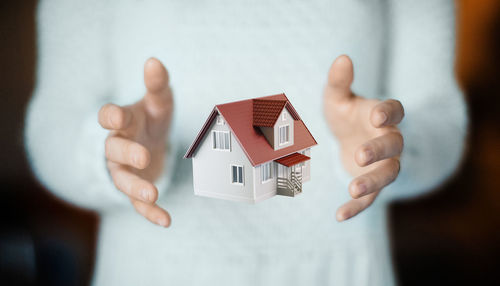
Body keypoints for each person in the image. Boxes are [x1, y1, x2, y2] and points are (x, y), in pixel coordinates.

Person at [25, 0, 467, 285]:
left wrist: (385, 148)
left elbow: (442, 119)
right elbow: (52, 125)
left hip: (341, 271)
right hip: (151, 271)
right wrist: (114, 155)